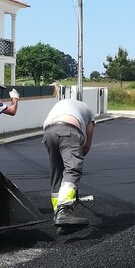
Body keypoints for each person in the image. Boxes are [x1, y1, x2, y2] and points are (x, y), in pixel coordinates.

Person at [43, 97, 95, 228]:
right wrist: (78, 157)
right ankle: (64, 210)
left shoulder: (62, 105)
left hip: (48, 132)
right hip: (69, 131)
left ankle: (59, 219)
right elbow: (87, 143)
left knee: (57, 173)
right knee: (72, 169)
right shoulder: (88, 111)